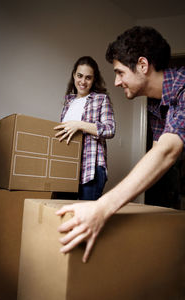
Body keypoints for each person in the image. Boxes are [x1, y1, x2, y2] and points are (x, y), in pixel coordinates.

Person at [56, 26, 185, 263]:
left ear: (143, 66)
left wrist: (103, 207)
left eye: (120, 72)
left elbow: (168, 151)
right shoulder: (158, 107)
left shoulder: (183, 89)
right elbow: (159, 154)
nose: (116, 82)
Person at [54, 56, 115, 200]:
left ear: (94, 80)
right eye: (80, 76)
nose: (83, 81)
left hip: (91, 167)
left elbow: (110, 129)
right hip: (67, 166)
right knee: (61, 212)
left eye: (88, 78)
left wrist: (79, 125)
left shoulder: (101, 99)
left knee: (86, 217)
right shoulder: (68, 102)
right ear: (74, 75)